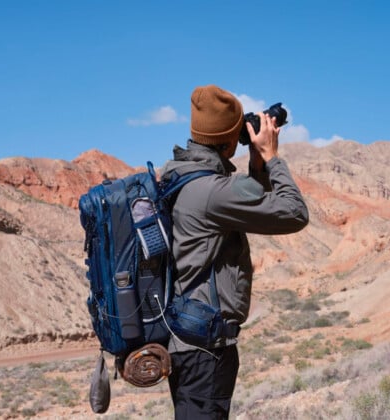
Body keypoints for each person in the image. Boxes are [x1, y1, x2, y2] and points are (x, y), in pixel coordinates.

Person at [161, 85, 309, 419]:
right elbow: (294, 212)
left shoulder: (182, 177)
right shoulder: (211, 191)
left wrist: (255, 166)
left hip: (188, 339)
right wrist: (272, 157)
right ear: (229, 140)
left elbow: (244, 197)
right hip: (205, 349)